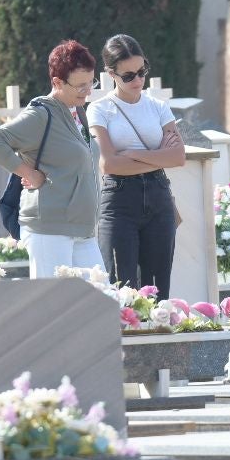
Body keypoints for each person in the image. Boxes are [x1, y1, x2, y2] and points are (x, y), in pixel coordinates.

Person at [0, 40, 100, 277]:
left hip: (83, 228)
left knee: (100, 302)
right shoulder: (40, 114)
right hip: (50, 230)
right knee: (53, 308)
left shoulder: (77, 111)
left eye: (90, 83)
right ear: (57, 82)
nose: (88, 92)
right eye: (80, 86)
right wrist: (29, 173)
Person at [86, 34, 185, 297]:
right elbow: (109, 164)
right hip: (119, 201)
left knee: (157, 291)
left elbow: (177, 157)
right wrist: (156, 154)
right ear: (111, 74)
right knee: (122, 290)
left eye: (142, 72)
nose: (138, 81)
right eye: (128, 76)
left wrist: (131, 154)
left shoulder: (158, 107)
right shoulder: (99, 109)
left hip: (159, 196)